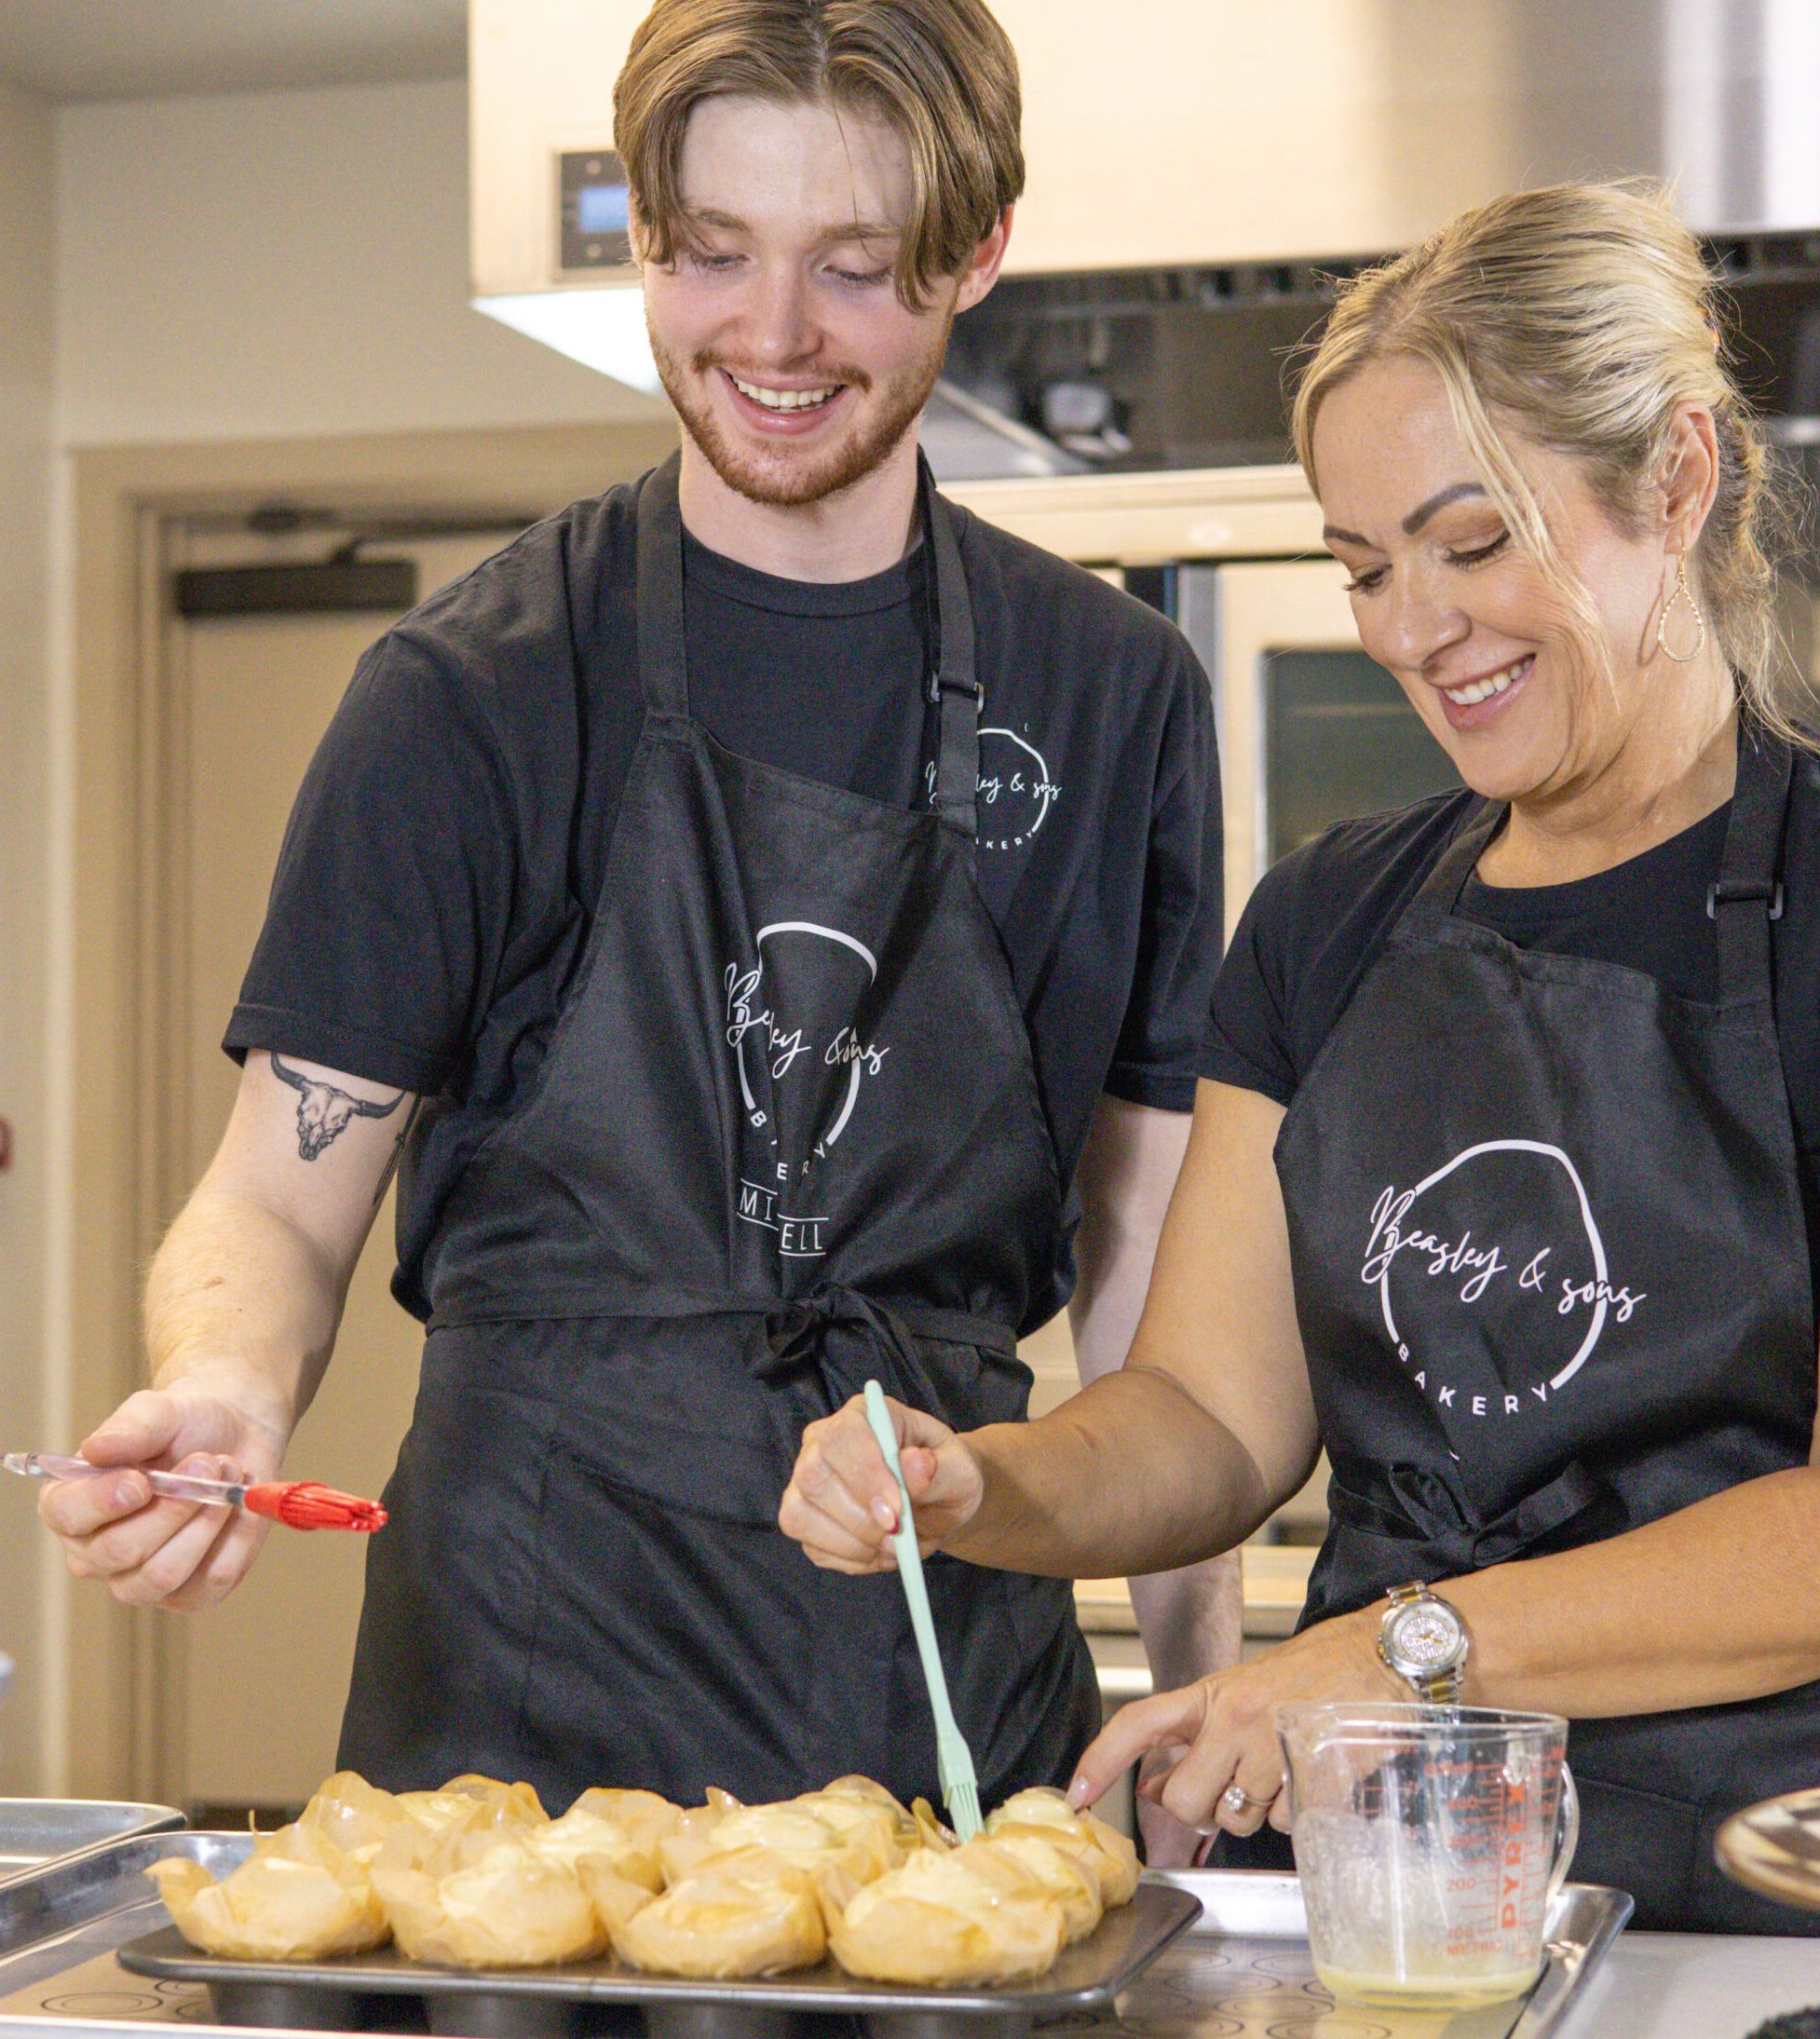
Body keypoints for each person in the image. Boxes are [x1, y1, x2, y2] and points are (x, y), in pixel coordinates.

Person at [40, 0, 1234, 1850]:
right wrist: (216, 1382)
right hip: (512, 1725)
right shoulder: (471, 692)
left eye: (853, 268)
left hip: (941, 1707)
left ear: (979, 246)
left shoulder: (1114, 697)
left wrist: (1195, 1693)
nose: (770, 338)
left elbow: (1152, 1256)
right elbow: (279, 1193)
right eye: (710, 256)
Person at [780, 181, 1820, 1931]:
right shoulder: (1328, 922)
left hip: (1782, 1890)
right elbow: (1214, 1414)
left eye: (1471, 543)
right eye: (1362, 565)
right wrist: (983, 1483)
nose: (1410, 629)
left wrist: (1395, 1650)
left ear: (1675, 480)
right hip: (1402, 1897)